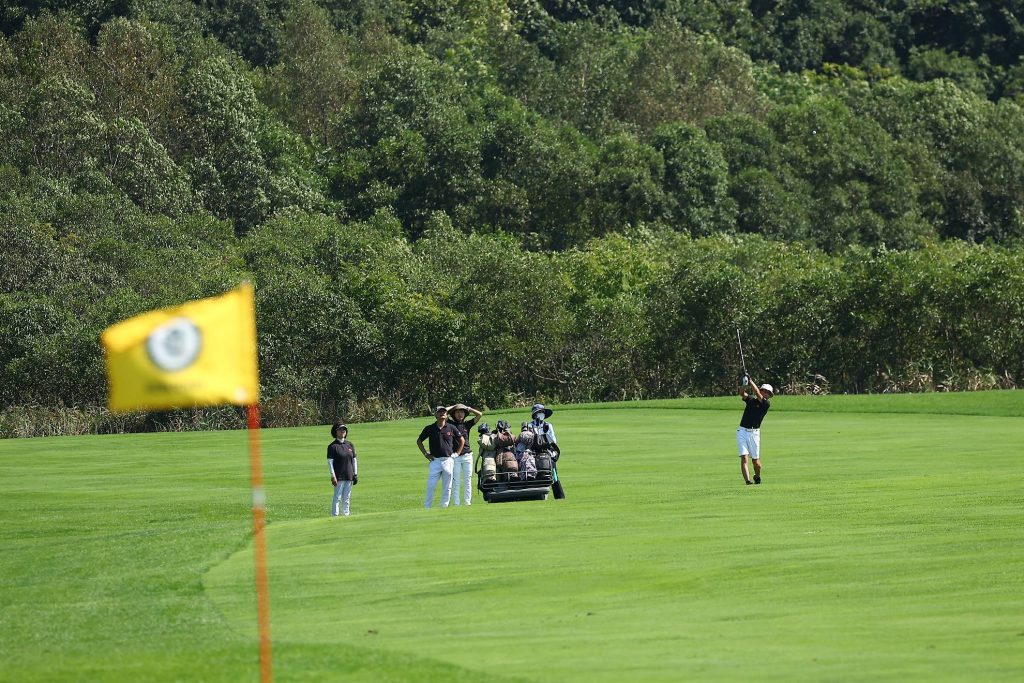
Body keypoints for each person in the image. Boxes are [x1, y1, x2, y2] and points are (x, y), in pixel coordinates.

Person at [416, 405, 465, 509]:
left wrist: (457, 454)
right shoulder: (430, 428)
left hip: (448, 460)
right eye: (440, 412)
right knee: (431, 485)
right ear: (435, 415)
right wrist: (426, 454)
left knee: (447, 486)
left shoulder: (451, 427)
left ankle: (444, 506)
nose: (442, 413)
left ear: (446, 415)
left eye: (444, 412)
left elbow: (462, 440)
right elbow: (419, 441)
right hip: (435, 461)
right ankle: (427, 506)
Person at [737, 376, 773, 485]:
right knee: (744, 458)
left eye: (768, 393)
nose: (766, 394)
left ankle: (757, 476)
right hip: (742, 431)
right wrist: (745, 384)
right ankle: (748, 481)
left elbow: (756, 392)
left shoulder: (766, 404)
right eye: (764, 391)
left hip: (754, 434)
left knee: (756, 462)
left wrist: (750, 381)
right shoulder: (751, 400)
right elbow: (741, 393)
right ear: (762, 390)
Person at [447, 403, 483, 506]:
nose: (460, 414)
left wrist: (469, 408)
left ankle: (467, 502)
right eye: (457, 412)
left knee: (468, 479)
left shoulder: (467, 424)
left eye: (462, 412)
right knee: (456, 480)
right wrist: (454, 406)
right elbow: (442, 412)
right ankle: (456, 503)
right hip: (455, 456)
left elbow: (479, 414)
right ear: (454, 414)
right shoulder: (450, 424)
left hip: (467, 455)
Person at [327, 422, 358, 516]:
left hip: (349, 475)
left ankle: (346, 514)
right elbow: (330, 462)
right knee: (337, 497)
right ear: (335, 432)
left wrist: (355, 474)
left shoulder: (350, 445)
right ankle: (335, 515)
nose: (342, 431)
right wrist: (333, 476)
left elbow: (354, 460)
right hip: (338, 476)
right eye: (340, 430)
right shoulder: (332, 446)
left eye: (344, 429)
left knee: (347, 497)